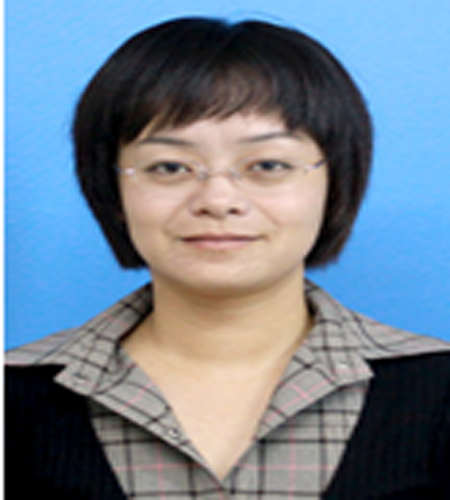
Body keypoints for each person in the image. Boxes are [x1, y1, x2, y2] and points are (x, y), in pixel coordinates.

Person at [5, 16, 450, 499]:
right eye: (169, 167)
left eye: (268, 165)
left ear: (336, 183)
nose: (218, 200)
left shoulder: (437, 385)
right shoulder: (15, 391)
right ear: (111, 190)